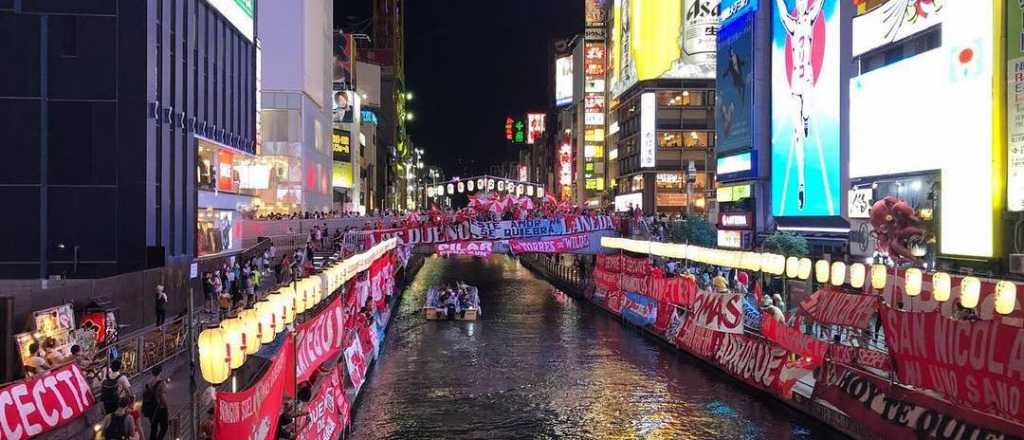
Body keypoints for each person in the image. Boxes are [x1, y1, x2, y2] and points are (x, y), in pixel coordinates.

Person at [143, 366, 169, 440]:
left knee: (154, 428)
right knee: (164, 427)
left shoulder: (149, 383)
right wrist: (166, 407)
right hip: (161, 407)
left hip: (151, 408)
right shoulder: (162, 383)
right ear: (160, 372)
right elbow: (162, 397)